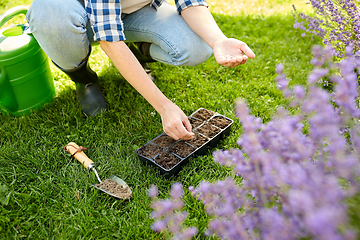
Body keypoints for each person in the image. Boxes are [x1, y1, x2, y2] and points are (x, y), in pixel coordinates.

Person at [26, 0, 255, 140]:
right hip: (74, 11)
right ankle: (84, 78)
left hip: (135, 11)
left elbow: (190, 2)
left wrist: (217, 41)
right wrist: (164, 107)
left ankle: (138, 53)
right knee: (50, 15)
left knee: (196, 47)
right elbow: (110, 41)